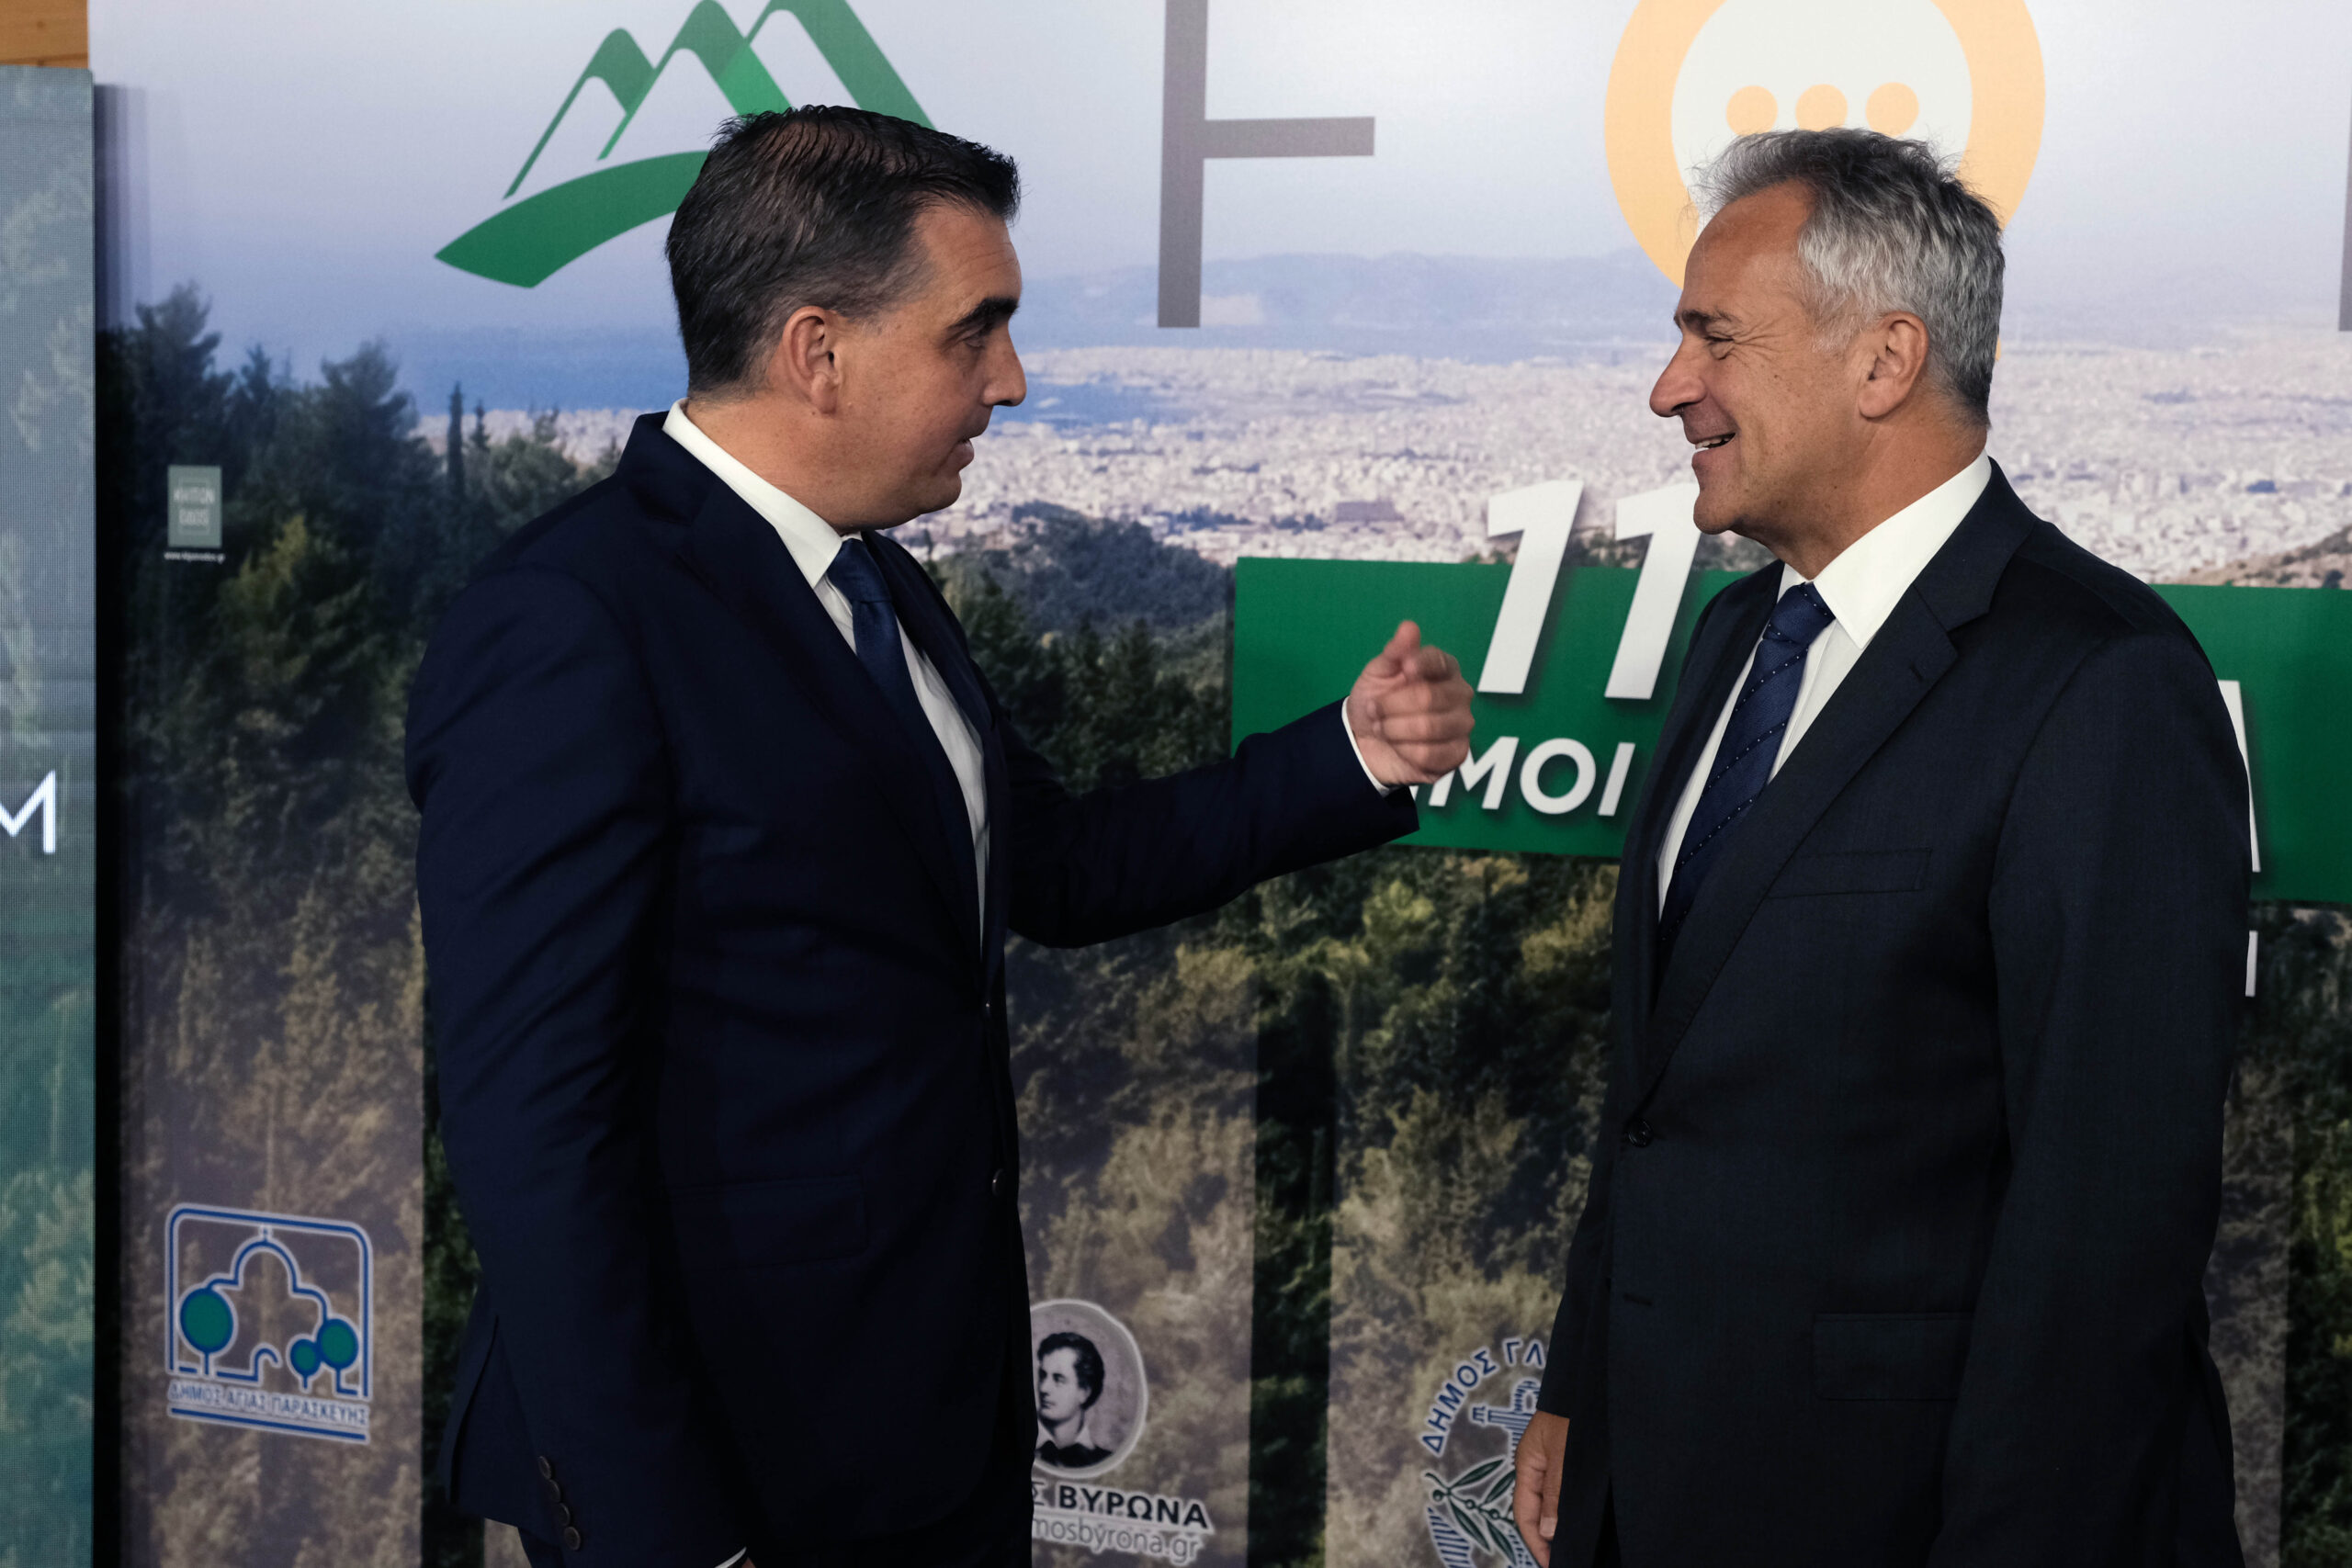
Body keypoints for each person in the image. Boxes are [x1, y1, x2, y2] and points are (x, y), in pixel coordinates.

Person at [409, 107, 1475, 1568]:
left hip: (928, 1440)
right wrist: (670, 1535)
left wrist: (1346, 754)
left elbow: (1053, 861)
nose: (1013, 379)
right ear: (818, 351)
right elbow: (533, 1134)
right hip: (724, 1472)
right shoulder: (572, 621)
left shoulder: (880, 585)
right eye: (976, 330)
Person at [1510, 129, 2248, 1568]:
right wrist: (1582, 1378)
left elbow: (2106, 1234)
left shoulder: (2103, 682)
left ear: (1884, 360)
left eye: (1714, 337)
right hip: (1652, 1483)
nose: (1669, 386)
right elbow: (1661, 1093)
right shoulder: (1737, 634)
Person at [1034, 1331, 1115, 1469]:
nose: (1043, 1388)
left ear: (1084, 1392)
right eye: (1042, 1376)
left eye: (1059, 1379)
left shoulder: (1108, 1463)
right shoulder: (1010, 1448)